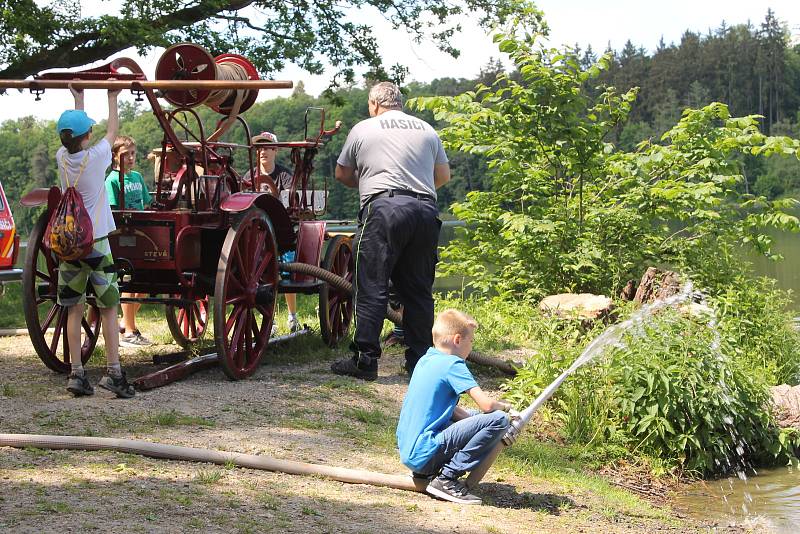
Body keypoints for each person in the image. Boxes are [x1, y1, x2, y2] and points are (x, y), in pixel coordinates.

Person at [331, 81, 451, 381]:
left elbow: (342, 173)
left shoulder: (363, 128)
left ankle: (365, 361)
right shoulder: (426, 129)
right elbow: (444, 176)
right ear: (400, 103)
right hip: (425, 210)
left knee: (372, 286)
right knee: (418, 292)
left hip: (384, 209)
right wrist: (416, 193)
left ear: (374, 104)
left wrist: (373, 186)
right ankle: (418, 364)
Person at [57, 86, 135, 398]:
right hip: (97, 243)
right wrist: (113, 98)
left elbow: (77, 131)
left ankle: (77, 372)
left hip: (70, 246)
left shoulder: (62, 157)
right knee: (109, 307)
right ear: (87, 135)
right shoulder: (98, 157)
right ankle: (114, 373)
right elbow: (113, 130)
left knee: (74, 309)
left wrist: (78, 98)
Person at [396, 309, 516, 505]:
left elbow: (447, 410)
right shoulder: (453, 364)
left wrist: (478, 422)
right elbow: (487, 405)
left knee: (476, 417)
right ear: (458, 340)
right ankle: (447, 478)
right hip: (425, 454)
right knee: (499, 419)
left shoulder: (426, 359)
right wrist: (506, 406)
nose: (471, 347)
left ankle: (433, 473)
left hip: (412, 454)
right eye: (471, 342)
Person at [245, 131, 300, 332]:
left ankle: (293, 317)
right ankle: (271, 320)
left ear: (275, 150)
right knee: (257, 275)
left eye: (267, 147)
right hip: (256, 234)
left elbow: (290, 203)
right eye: (259, 148)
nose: (263, 152)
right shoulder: (248, 176)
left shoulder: (285, 176)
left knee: (287, 269)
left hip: (281, 232)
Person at [105, 135, 153, 347]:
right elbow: (114, 210)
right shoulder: (112, 181)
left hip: (141, 231)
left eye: (133, 153)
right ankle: (130, 332)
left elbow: (147, 203)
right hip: (124, 234)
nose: (131, 158)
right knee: (130, 282)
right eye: (126, 154)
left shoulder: (137, 178)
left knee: (144, 286)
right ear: (115, 156)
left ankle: (126, 322)